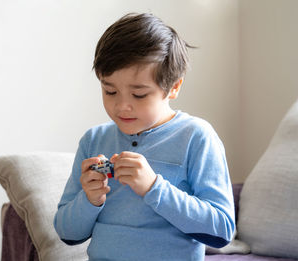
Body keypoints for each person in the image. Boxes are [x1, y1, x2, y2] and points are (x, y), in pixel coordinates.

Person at [54, 13, 235, 261]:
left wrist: (154, 187)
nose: (121, 106)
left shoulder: (197, 137)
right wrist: (89, 200)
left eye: (138, 94)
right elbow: (66, 232)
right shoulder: (93, 140)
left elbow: (222, 230)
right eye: (110, 91)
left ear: (174, 87)